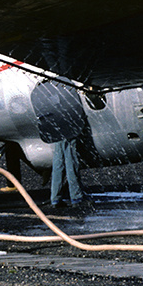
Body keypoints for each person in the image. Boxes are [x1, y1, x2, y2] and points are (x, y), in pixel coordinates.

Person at [31, 80, 89, 210]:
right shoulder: (62, 84)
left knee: (58, 164)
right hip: (68, 124)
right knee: (71, 162)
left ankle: (55, 198)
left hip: (56, 125)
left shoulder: (46, 86)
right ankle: (76, 197)